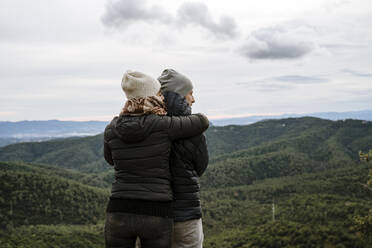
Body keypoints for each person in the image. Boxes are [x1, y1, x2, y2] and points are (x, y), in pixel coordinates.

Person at [103, 70, 209, 248]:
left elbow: (110, 159)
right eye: (190, 93)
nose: (193, 98)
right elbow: (202, 123)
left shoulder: (113, 127)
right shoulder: (162, 126)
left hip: (119, 208)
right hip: (159, 210)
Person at [158, 69, 209, 248]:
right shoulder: (193, 129)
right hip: (186, 216)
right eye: (190, 93)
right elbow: (201, 167)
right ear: (180, 95)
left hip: (152, 218)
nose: (193, 99)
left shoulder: (147, 125)